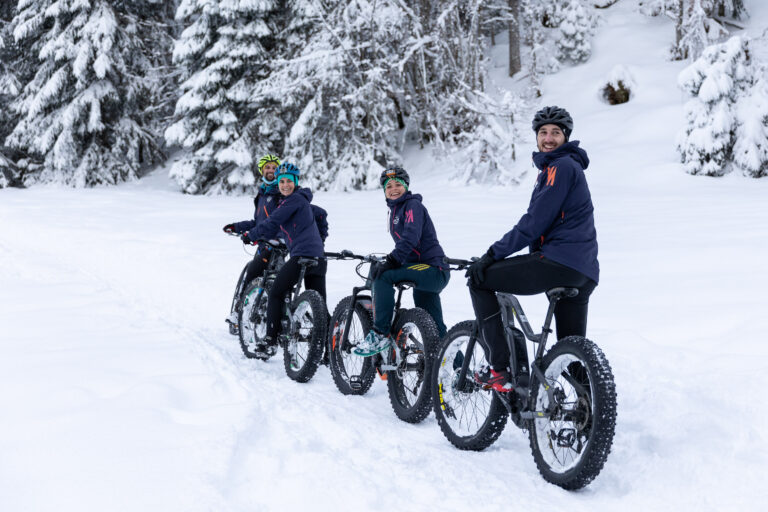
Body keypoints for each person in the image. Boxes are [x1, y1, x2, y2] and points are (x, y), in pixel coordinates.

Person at [465, 106, 599, 392]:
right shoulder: (566, 167)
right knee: (571, 352)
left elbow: (534, 222)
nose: (548, 138)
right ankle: (588, 415)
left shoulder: (559, 167)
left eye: (555, 133)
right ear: (536, 138)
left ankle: (500, 369)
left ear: (566, 137)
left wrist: (492, 255)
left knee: (480, 281)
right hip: (584, 272)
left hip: (558, 263)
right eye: (543, 133)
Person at [353, 166, 450, 357]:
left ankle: (380, 333)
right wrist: (391, 259)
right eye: (389, 186)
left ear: (406, 186)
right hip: (422, 270)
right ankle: (457, 372)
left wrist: (392, 260)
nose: (393, 189)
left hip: (433, 269)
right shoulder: (396, 209)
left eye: (398, 184)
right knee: (435, 328)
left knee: (384, 276)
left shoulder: (413, 206)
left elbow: (411, 237)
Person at [243, 162, 328, 358]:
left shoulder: (293, 200)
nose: (285, 185)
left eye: (289, 181)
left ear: (296, 182)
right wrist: (320, 241)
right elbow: (321, 214)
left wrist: (251, 235)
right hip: (319, 259)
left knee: (276, 292)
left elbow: (272, 221)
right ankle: (329, 349)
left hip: (301, 257)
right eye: (282, 182)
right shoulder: (302, 201)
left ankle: (270, 341)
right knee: (320, 307)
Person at [224, 154, 283, 332]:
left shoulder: (281, 192)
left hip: (277, 245)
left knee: (253, 274)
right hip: (263, 243)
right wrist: (237, 227)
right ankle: (241, 313)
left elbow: (279, 221)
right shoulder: (262, 194)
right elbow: (258, 222)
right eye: (268, 167)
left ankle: (240, 312)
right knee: (259, 277)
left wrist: (272, 236)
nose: (271, 171)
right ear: (261, 170)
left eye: (274, 168)